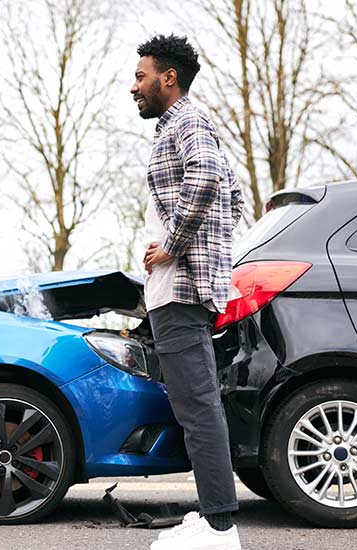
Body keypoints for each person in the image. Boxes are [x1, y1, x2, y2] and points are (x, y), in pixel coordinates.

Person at [130, 34, 244, 550]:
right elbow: (234, 193)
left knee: (197, 405)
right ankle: (213, 517)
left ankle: (220, 527)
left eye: (140, 76)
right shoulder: (180, 126)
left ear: (167, 77)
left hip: (179, 287)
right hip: (175, 285)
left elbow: (207, 181)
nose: (134, 86)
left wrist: (174, 246)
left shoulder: (189, 121)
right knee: (193, 404)